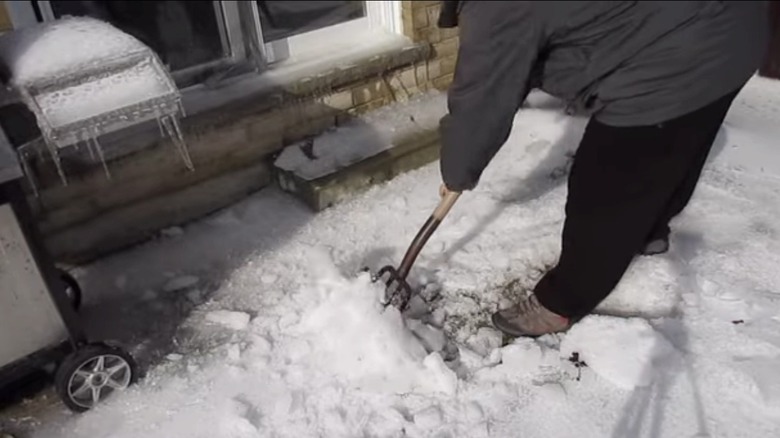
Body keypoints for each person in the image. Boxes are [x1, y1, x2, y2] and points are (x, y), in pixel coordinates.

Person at [436, 1, 770, 337]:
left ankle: (562, 302)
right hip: (734, 28)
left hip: (685, 51)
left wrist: (456, 173)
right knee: (675, 146)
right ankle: (648, 232)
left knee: (602, 189)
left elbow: (482, 100)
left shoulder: (495, 9)